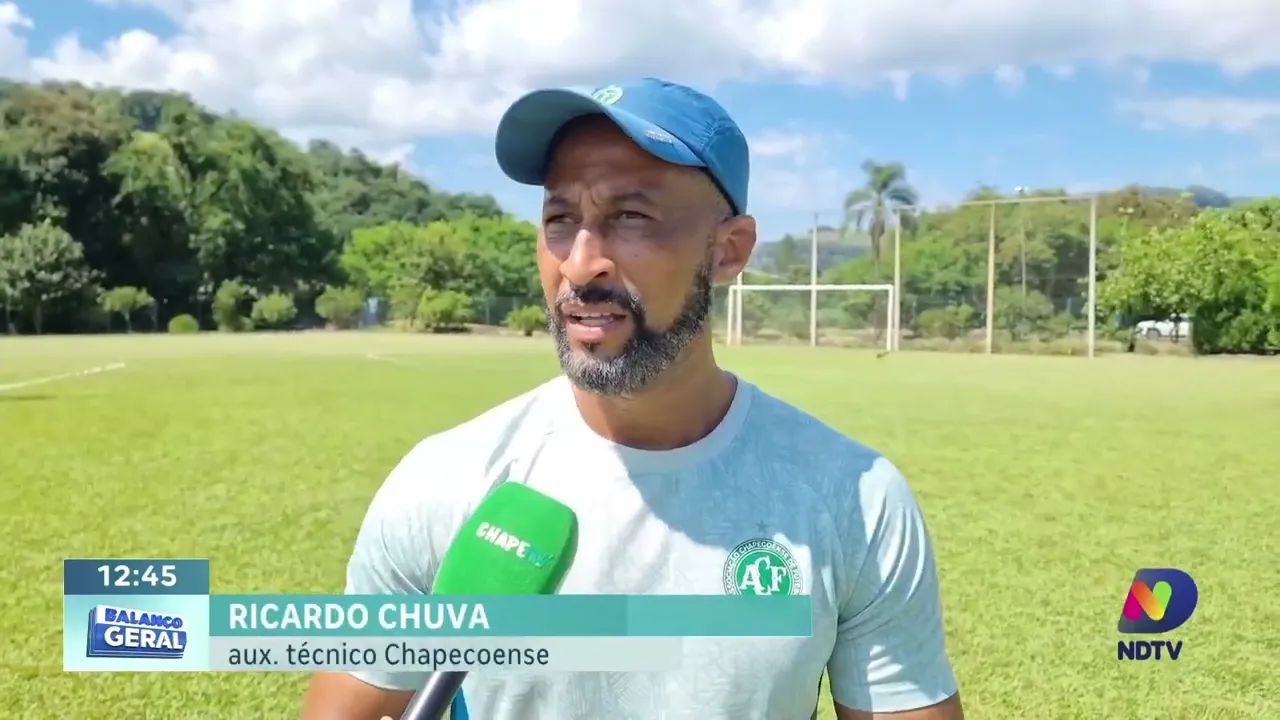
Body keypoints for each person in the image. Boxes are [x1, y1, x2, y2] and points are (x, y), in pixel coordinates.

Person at [302, 77, 963, 720]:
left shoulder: (852, 499)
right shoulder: (443, 481)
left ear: (729, 250)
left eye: (630, 216)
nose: (581, 262)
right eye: (560, 218)